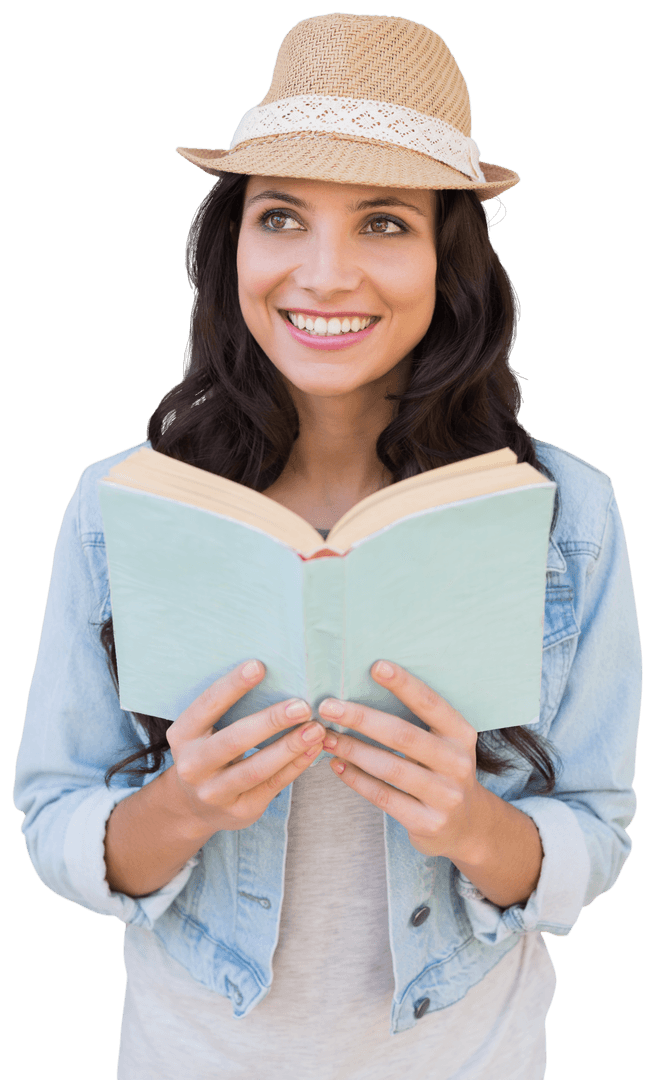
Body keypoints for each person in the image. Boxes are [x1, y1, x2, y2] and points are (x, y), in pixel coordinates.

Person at [13, 12, 642, 1080]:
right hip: (189, 1054)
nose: (325, 273)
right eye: (282, 216)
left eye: (385, 223)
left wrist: (470, 823)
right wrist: (180, 806)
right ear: (233, 242)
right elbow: (54, 814)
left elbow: (596, 828)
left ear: (451, 255)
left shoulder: (564, 510)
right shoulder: (120, 500)